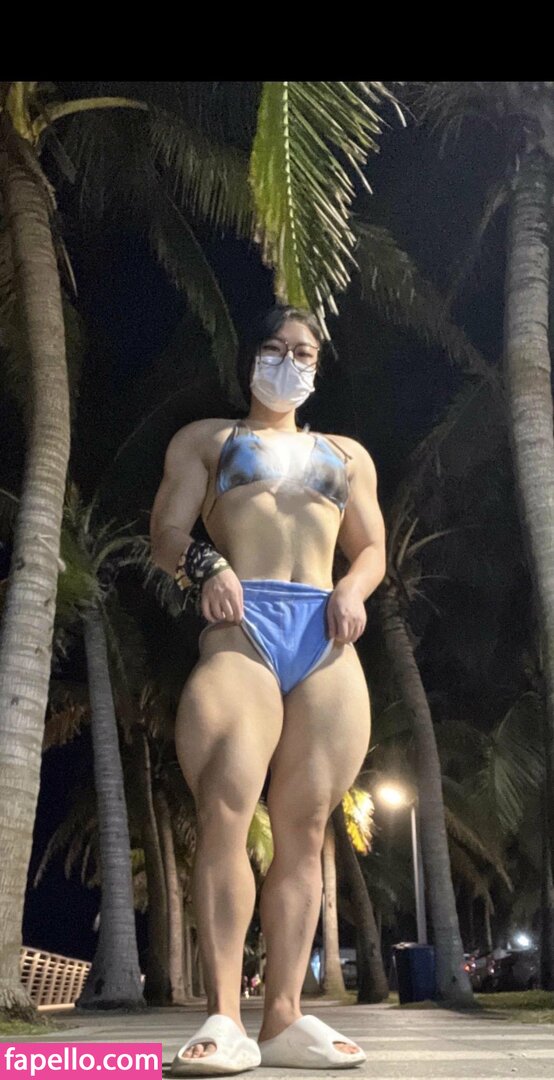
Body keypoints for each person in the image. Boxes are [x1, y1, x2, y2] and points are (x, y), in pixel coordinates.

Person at [150, 305, 386, 1075]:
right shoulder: (209, 440)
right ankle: (224, 1016)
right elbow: (166, 533)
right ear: (250, 356)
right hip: (242, 627)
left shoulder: (346, 455)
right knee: (226, 805)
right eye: (276, 347)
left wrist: (352, 589)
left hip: (324, 634)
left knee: (306, 825)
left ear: (319, 367)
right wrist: (206, 566)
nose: (290, 361)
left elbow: (373, 547)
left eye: (304, 352)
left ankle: (283, 1016)